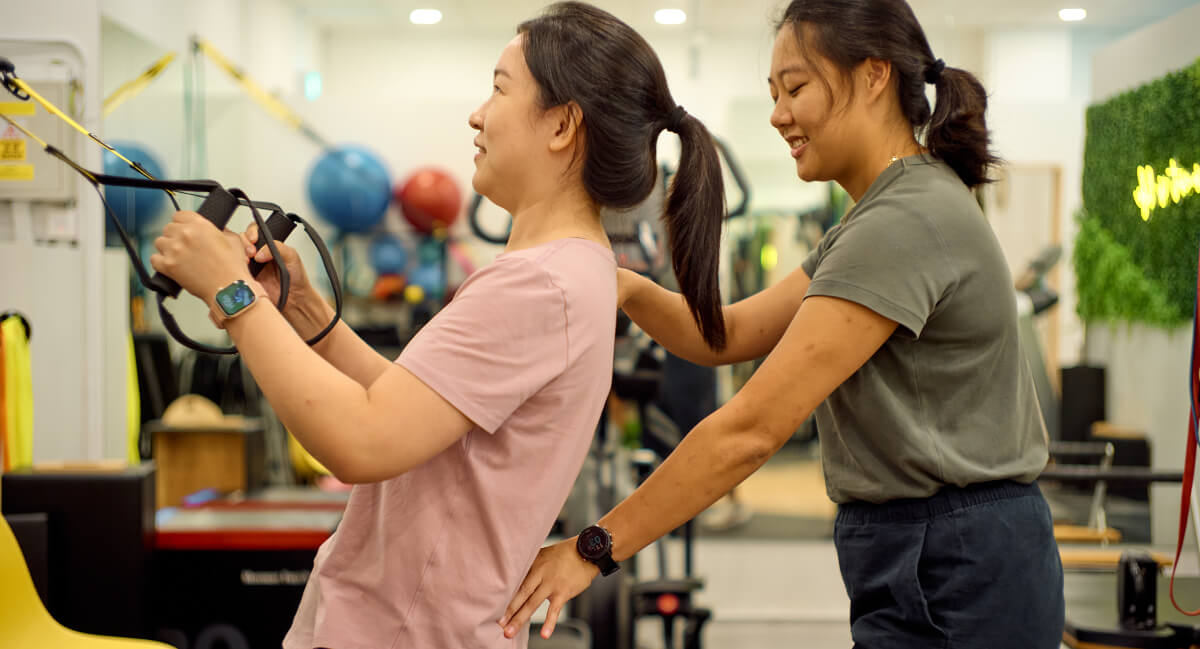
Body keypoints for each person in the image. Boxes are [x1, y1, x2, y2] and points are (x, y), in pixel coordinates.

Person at [149, 3, 727, 647]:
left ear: (563, 125)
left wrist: (231, 293)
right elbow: (411, 410)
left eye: (500, 90)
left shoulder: (536, 285)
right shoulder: (573, 271)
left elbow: (362, 441)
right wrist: (303, 310)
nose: (477, 115)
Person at [502, 0, 1065, 647]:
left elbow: (750, 430)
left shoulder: (902, 222)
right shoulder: (877, 217)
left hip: (955, 560)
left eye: (794, 88)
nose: (777, 114)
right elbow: (729, 335)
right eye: (773, 94)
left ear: (874, 75)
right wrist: (620, 285)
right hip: (932, 549)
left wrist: (592, 547)